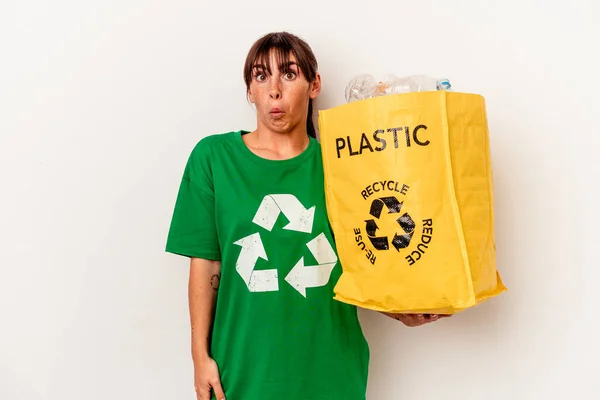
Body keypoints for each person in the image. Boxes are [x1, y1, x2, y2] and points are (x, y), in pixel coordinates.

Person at [165, 31, 447, 400]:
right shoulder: (214, 158)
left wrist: (401, 311)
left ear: (314, 85)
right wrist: (199, 356)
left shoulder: (344, 163)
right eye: (261, 76)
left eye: (289, 73)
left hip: (331, 368)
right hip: (243, 368)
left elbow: (364, 261)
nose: (275, 90)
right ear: (250, 90)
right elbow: (206, 264)